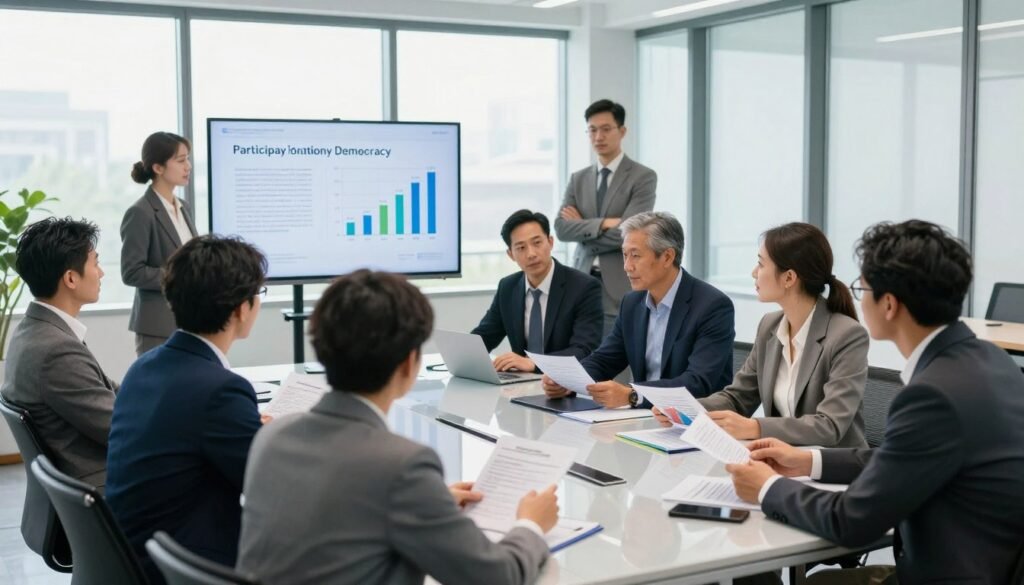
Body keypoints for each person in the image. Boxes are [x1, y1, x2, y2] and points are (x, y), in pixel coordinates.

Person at [726, 220, 1024, 585]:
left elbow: (851, 521)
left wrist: (768, 486)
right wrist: (808, 460)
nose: (857, 298)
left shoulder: (931, 394)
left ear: (889, 304)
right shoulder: (992, 360)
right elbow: (902, 457)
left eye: (862, 287)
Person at [236, 269, 559, 585]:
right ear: (409, 363)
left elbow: (337, 508)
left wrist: (428, 502)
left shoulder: (271, 435)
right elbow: (497, 576)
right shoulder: (401, 466)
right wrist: (530, 524)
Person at [105, 235, 267, 583]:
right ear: (242, 308)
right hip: (185, 566)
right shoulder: (221, 391)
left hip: (134, 556)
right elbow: (270, 483)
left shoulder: (144, 367)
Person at [654, 223, 869, 447]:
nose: (754, 273)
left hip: (833, 470)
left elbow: (830, 426)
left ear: (788, 278)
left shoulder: (847, 336)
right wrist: (687, 409)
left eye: (761, 263)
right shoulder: (770, 326)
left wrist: (755, 427)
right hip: (783, 460)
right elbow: (738, 398)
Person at [544, 211, 734, 408]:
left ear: (667, 257)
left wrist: (632, 395)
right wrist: (568, 382)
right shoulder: (632, 303)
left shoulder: (712, 306)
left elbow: (698, 383)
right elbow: (605, 359)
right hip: (645, 419)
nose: (627, 266)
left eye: (635, 256)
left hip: (696, 421)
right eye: (625, 255)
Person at [1, 217, 117, 488]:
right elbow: (120, 428)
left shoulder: (35, 330)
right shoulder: (56, 351)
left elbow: (110, 391)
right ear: (71, 278)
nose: (101, 273)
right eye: (96, 263)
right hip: (99, 486)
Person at [554, 99, 657, 334]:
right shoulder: (577, 179)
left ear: (622, 131)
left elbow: (630, 235)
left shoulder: (643, 177)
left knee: (615, 363)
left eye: (606, 129)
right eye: (592, 130)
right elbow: (561, 229)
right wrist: (604, 223)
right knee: (579, 357)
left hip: (621, 283)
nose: (598, 136)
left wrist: (581, 227)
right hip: (580, 280)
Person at [472, 209, 603, 373]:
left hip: (566, 385)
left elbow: (584, 350)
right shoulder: (508, 287)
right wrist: (462, 355)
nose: (531, 254)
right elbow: (484, 337)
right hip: (521, 385)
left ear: (550, 242)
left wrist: (534, 364)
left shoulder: (584, 287)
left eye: (537, 243)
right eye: (521, 247)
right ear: (510, 254)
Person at [121, 131, 198, 356]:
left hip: (190, 321)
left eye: (188, 159)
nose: (189, 166)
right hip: (157, 326)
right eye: (181, 160)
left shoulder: (184, 207)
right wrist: (179, 278)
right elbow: (132, 272)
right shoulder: (140, 212)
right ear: (158, 168)